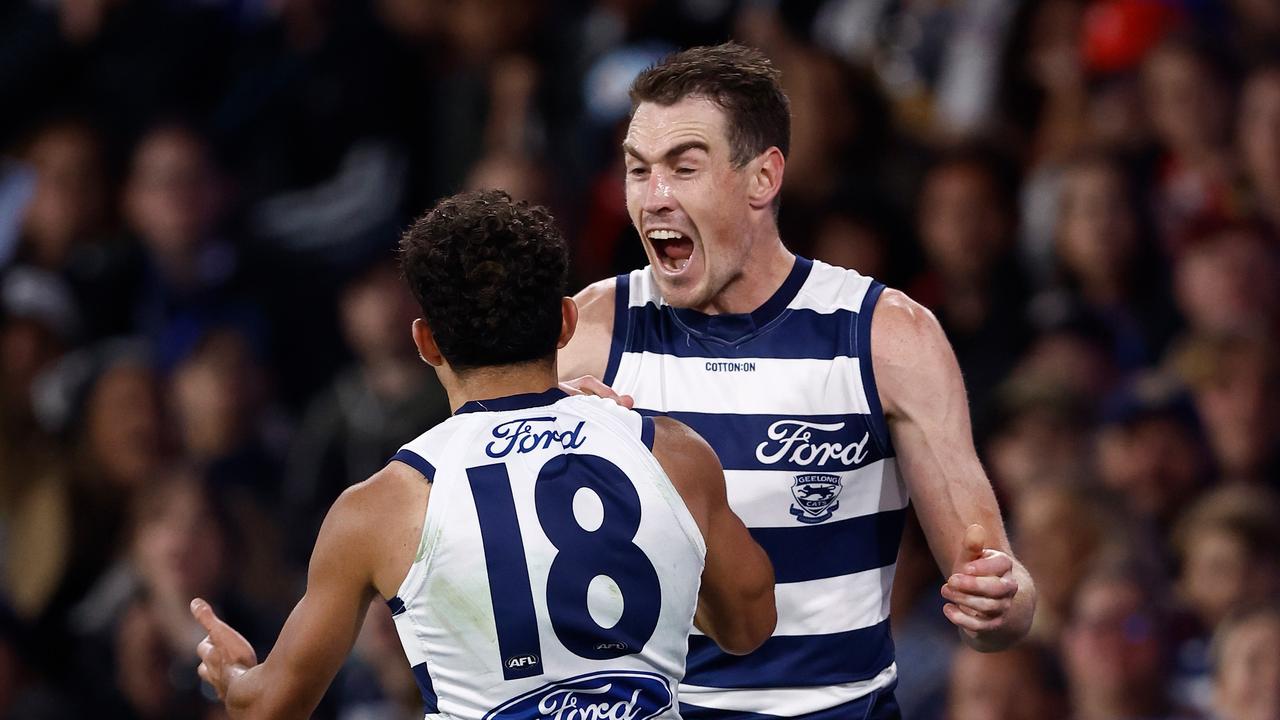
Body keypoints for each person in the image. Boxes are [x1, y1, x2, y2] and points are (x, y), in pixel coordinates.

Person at [559, 42, 1037, 718]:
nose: (655, 197)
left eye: (683, 168)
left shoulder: (885, 335)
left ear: (762, 178)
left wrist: (1003, 601)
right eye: (639, 171)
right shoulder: (588, 334)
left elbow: (991, 572)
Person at [191, 190, 776, 718]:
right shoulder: (671, 453)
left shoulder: (380, 507)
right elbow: (750, 627)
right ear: (567, 320)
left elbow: (270, 708)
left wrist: (233, 672)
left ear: (425, 341)